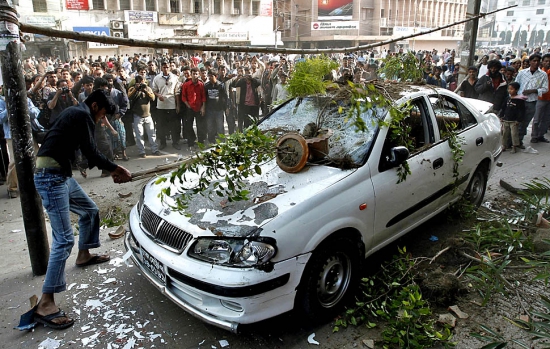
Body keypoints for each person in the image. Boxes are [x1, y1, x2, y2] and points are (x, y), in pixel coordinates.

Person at [33, 89, 132, 329]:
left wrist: (109, 168)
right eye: (102, 115)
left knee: (89, 211)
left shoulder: (74, 112)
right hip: (51, 177)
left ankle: (84, 254)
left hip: (61, 175)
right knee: (64, 240)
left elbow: (79, 150)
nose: (101, 120)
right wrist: (115, 168)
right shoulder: (82, 115)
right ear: (95, 106)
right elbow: (91, 151)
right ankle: (46, 303)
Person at [515, 54, 548, 145]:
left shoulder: (543, 75)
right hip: (520, 100)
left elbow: (545, 89)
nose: (536, 63)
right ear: (530, 62)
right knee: (517, 121)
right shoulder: (522, 73)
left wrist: (534, 90)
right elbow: (516, 85)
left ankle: (519, 140)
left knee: (525, 122)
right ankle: (512, 141)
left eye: (538, 61)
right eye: (534, 61)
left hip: (532, 101)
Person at [128, 75, 160, 158]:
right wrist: (136, 89)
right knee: (139, 135)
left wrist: (145, 90)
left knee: (152, 134)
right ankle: (141, 151)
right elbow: (129, 97)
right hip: (137, 115)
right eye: (139, 81)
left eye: (142, 80)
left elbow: (152, 98)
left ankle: (155, 149)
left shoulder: (148, 88)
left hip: (148, 115)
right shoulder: (132, 88)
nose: (141, 82)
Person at [203, 68, 229, 144]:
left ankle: (221, 142)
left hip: (219, 110)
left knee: (220, 127)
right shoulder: (207, 86)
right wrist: (204, 108)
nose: (210, 77)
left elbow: (225, 97)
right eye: (209, 76)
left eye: (211, 76)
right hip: (209, 110)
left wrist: (226, 107)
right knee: (210, 127)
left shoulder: (221, 85)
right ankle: (211, 141)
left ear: (216, 76)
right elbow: (204, 98)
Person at [499, 82, 525, 153]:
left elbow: (521, 111)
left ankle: (514, 146)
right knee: (505, 133)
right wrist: (501, 116)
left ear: (516, 90)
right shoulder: (507, 98)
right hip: (506, 119)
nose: (510, 91)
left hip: (514, 121)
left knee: (514, 134)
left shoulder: (519, 100)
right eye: (509, 89)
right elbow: (503, 108)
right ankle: (504, 145)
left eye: (512, 89)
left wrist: (518, 120)